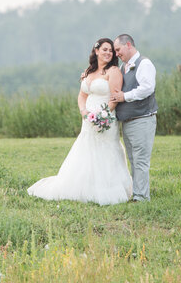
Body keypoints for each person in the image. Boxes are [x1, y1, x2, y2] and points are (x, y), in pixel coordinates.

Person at [27, 38, 132, 205]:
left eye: (111, 51)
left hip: (105, 118)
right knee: (87, 150)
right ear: (96, 51)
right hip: (88, 120)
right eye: (104, 49)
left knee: (106, 151)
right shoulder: (89, 72)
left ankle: (108, 189)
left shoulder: (113, 71)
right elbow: (82, 95)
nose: (108, 53)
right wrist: (84, 112)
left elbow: (114, 98)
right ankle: (84, 186)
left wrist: (103, 115)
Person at [111, 34, 157, 202]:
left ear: (128, 45)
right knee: (133, 159)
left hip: (142, 119)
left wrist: (125, 96)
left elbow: (147, 88)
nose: (117, 54)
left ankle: (142, 197)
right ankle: (137, 193)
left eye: (118, 49)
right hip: (128, 122)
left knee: (141, 160)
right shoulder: (124, 66)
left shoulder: (144, 64)